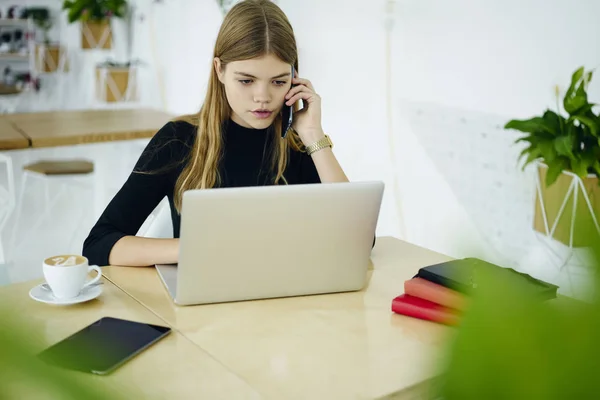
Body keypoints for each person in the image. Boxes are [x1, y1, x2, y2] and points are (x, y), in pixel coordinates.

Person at [82, 0, 350, 267]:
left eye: (278, 82)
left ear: (294, 78)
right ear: (219, 70)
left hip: (284, 301)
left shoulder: (298, 145)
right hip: (204, 304)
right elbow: (98, 245)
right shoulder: (178, 141)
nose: (263, 98)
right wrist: (193, 249)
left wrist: (314, 135)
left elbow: (355, 238)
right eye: (246, 80)